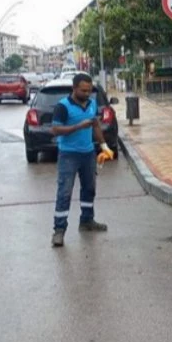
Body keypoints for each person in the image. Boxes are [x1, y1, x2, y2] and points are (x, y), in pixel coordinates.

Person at [50, 73, 114, 247]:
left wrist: (104, 146)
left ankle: (87, 221)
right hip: (68, 155)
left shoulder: (92, 104)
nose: (87, 94)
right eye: (83, 91)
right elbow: (55, 129)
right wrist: (78, 126)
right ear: (74, 88)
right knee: (64, 192)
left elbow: (95, 125)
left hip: (88, 154)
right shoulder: (63, 107)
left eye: (89, 90)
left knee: (89, 188)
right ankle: (59, 231)